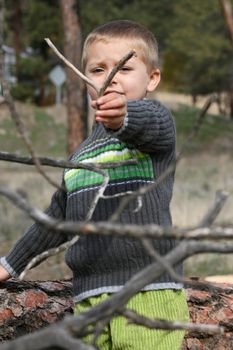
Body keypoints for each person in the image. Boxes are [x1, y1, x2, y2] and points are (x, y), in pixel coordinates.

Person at [0, 20, 189, 349]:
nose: (111, 77)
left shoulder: (155, 127)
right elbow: (56, 221)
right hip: (89, 298)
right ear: (85, 78)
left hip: (148, 290)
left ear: (153, 78)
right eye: (98, 69)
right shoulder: (81, 156)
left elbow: (149, 123)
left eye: (125, 67)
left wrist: (124, 116)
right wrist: (8, 265)